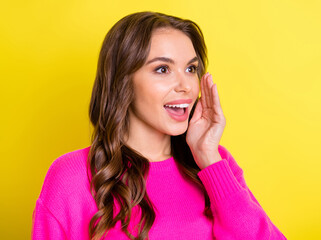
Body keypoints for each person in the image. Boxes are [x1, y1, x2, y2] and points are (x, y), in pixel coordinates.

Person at [32, 11, 287, 240]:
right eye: (163, 69)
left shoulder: (217, 164)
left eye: (190, 68)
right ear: (123, 81)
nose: (186, 85)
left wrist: (209, 159)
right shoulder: (73, 177)